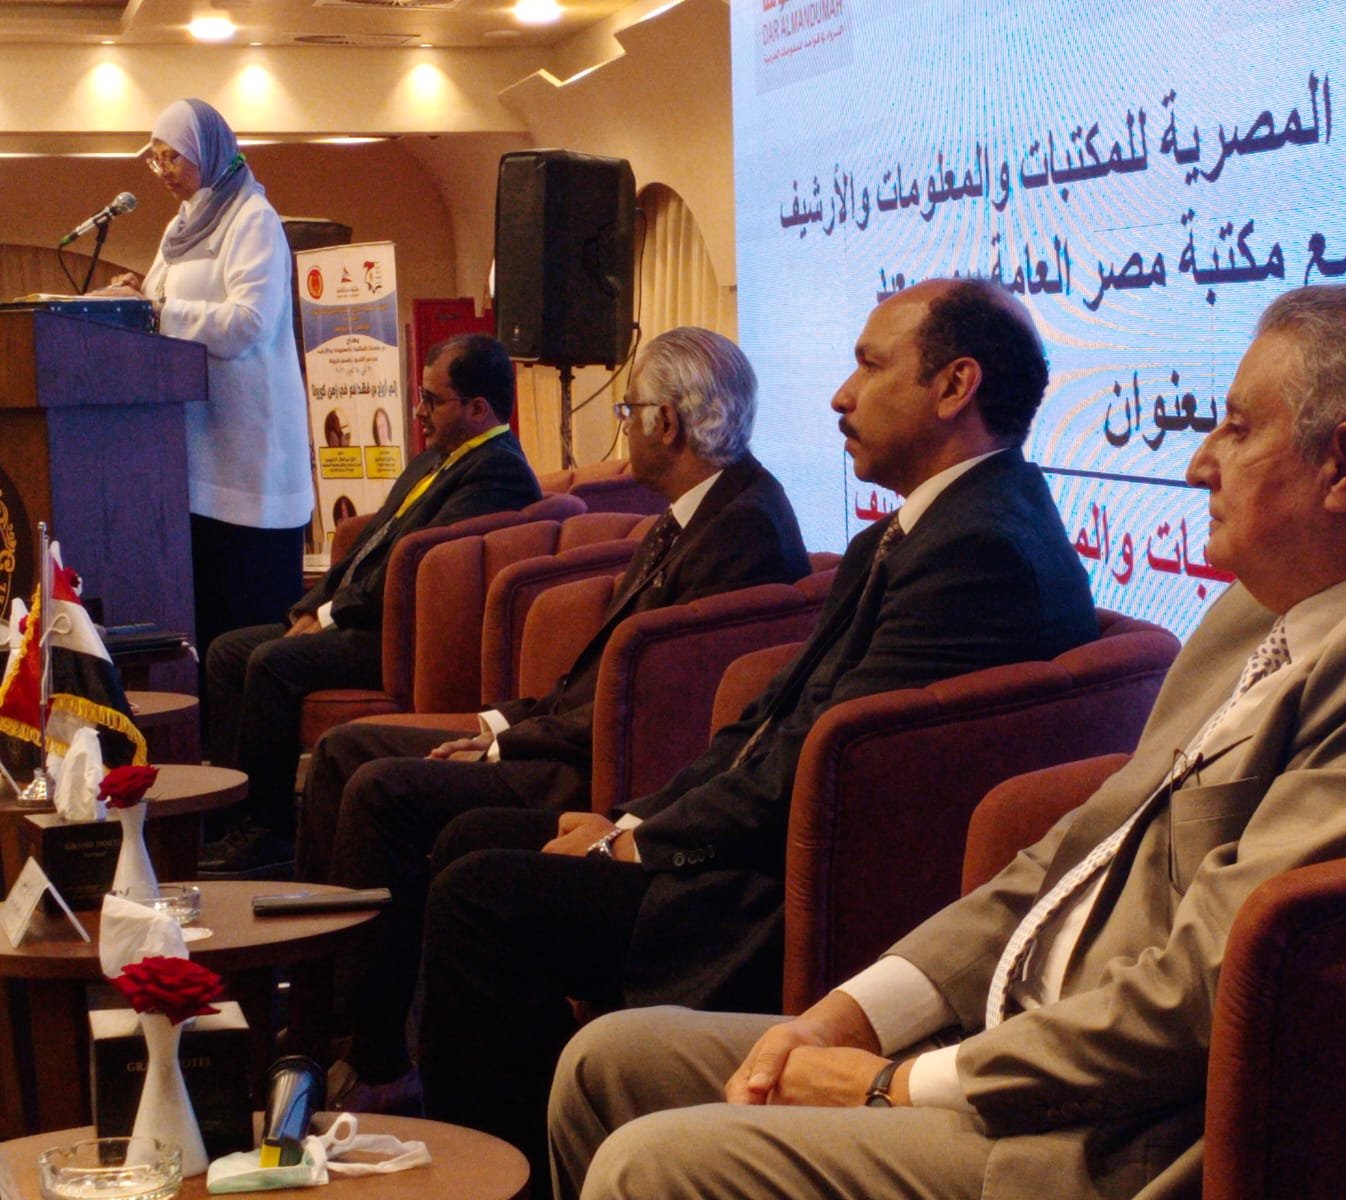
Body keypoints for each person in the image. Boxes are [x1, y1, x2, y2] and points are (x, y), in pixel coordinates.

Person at [547, 283, 1346, 1200]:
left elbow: (1210, 988)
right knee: (610, 1064)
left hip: (1105, 1139)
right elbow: (1077, 851)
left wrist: (894, 1084)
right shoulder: (1271, 606)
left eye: (1234, 428)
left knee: (653, 1163)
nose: (1199, 461)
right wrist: (858, 1015)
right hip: (1014, 1045)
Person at [414, 278, 1099, 1185]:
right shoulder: (918, 532)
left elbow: (821, 765)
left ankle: (500, 1179)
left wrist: (637, 845)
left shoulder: (980, 551)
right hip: (754, 844)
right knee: (477, 837)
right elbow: (770, 720)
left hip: (782, 891)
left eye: (868, 366)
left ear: (953, 386)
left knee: (481, 895)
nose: (840, 396)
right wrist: (630, 818)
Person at [294, 327, 811, 1105]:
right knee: (351, 756)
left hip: (606, 764)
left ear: (666, 423)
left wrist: (506, 748)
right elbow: (600, 677)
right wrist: (500, 726)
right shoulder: (696, 511)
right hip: (573, 737)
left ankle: (371, 1056)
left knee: (384, 792)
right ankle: (326, 1027)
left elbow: (652, 702)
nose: (625, 427)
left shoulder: (741, 528)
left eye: (628, 411)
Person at [201, 333, 540, 876]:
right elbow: (369, 546)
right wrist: (309, 607)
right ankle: (227, 817)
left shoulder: (498, 472)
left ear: (478, 409)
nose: (419, 412)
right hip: (360, 617)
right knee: (226, 651)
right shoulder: (434, 460)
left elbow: (414, 568)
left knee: (272, 662)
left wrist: (330, 616)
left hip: (400, 635)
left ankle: (269, 832)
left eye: (432, 400)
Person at [97, 99, 314, 665]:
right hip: (193, 452)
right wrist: (138, 294)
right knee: (207, 627)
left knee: (243, 624)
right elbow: (164, 301)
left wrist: (160, 309)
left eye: (174, 157)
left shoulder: (251, 219)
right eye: (155, 159)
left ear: (209, 151)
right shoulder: (182, 224)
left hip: (247, 453)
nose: (163, 170)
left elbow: (249, 323)